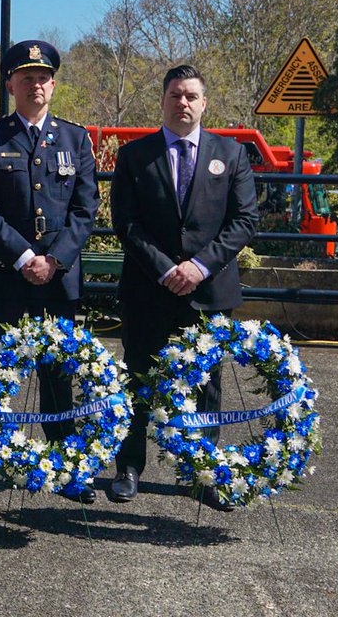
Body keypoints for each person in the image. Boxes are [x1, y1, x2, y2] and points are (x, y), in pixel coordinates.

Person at [108, 64, 258, 511]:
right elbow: (126, 223)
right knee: (137, 378)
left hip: (208, 292)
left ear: (204, 102)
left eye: (191, 95)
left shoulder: (231, 155)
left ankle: (203, 473)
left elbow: (244, 220)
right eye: (175, 95)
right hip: (148, 289)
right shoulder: (135, 156)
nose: (183, 103)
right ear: (163, 100)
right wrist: (165, 269)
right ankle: (129, 467)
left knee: (207, 385)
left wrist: (198, 267)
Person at [0, 40, 98, 504]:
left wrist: (53, 259)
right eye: (26, 78)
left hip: (58, 280)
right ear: (10, 85)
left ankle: (64, 466)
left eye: (42, 78)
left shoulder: (76, 139)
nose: (35, 85)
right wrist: (25, 258)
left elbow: (85, 210)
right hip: (5, 276)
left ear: (53, 84)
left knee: (59, 376)